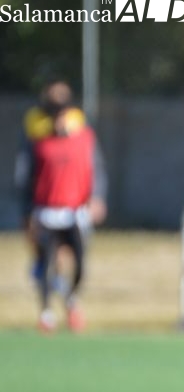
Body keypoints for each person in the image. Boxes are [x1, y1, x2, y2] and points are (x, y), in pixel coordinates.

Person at [14, 79, 108, 333]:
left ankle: (71, 299)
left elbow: (95, 169)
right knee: (46, 264)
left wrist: (97, 196)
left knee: (78, 262)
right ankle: (46, 313)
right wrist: (26, 212)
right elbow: (25, 175)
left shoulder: (83, 136)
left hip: (74, 212)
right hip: (46, 212)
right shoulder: (38, 139)